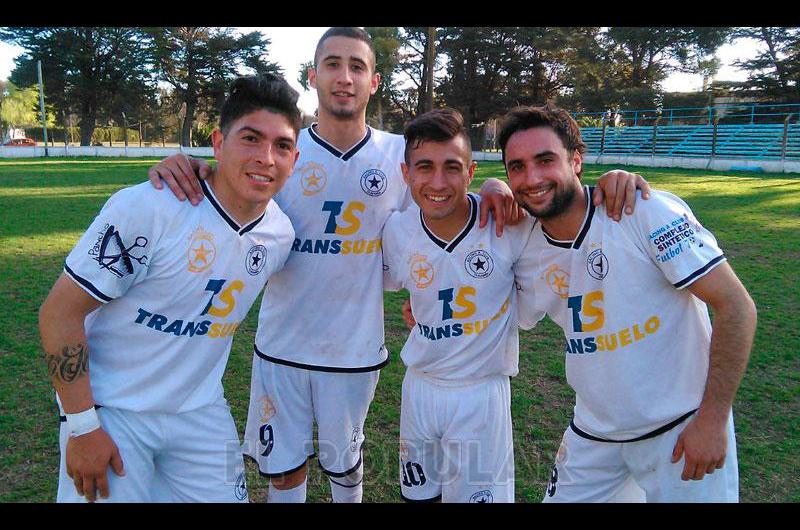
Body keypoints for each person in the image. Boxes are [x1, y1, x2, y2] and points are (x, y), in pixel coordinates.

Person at [147, 28, 648, 503]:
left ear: (373, 81)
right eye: (332, 65)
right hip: (280, 347)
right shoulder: (284, 151)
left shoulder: (396, 152)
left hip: (357, 351)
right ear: (313, 75)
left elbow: (446, 204)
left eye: (357, 67)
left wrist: (493, 187)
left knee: (345, 466)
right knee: (284, 468)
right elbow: (233, 177)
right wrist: (188, 165)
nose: (344, 77)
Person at [38, 74, 301, 503]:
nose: (266, 158)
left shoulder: (279, 235)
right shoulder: (148, 207)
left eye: (282, 146)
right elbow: (59, 313)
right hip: (114, 412)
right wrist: (82, 426)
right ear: (217, 143)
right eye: (250, 138)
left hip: (200, 412)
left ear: (294, 157)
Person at [500, 104, 756, 502]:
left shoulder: (642, 210)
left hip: (679, 428)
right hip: (594, 432)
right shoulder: (525, 244)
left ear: (576, 161)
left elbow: (736, 305)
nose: (531, 177)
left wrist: (712, 419)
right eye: (516, 167)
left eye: (545, 160)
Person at [382, 108, 536, 503]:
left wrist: (498, 185)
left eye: (452, 167)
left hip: (480, 394)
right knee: (419, 496)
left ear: (470, 173)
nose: (437, 182)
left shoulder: (507, 225)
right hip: (419, 387)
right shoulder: (397, 232)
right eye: (424, 167)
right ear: (406, 173)